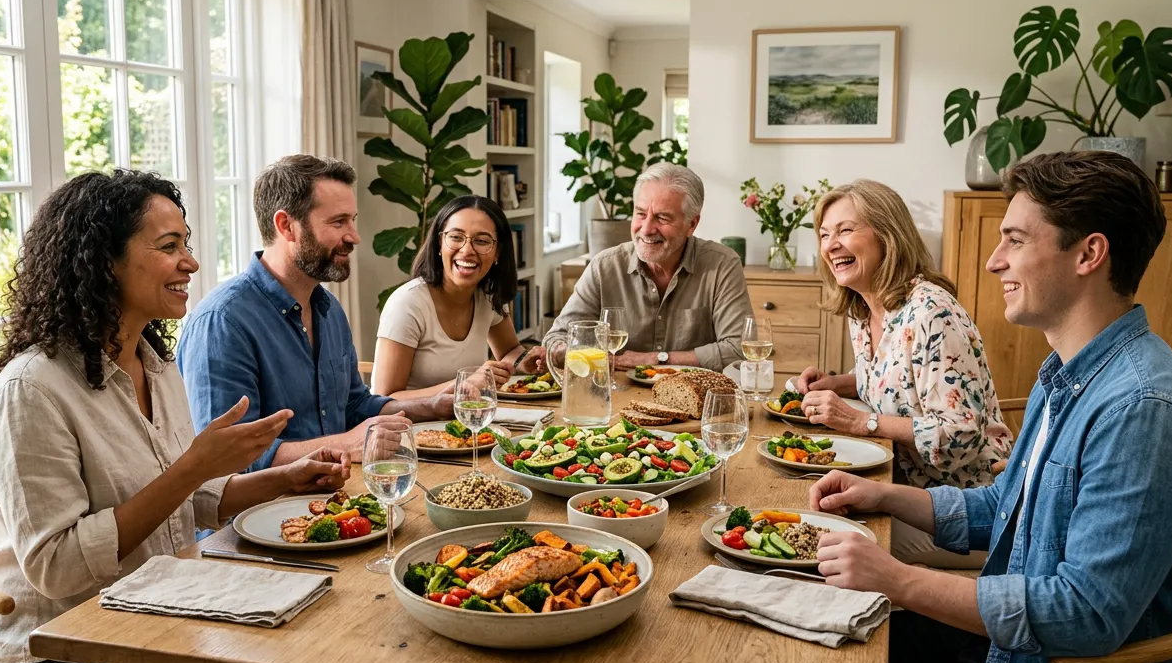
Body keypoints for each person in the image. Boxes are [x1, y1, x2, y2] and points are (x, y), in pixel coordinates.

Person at [810, 152, 1172, 663]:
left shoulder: (1146, 410)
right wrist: (883, 496)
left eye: (1015, 240)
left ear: (1089, 254)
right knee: (814, 654)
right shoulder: (1065, 377)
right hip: (1010, 648)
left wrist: (897, 579)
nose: (993, 260)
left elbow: (1085, 614)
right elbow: (1006, 507)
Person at [0, 170, 345, 663]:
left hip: (163, 613)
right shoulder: (33, 391)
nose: (190, 263)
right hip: (58, 656)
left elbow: (189, 501)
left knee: (318, 657)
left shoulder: (154, 363)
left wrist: (283, 480)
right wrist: (194, 466)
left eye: (185, 244)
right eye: (169, 247)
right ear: (104, 262)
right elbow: (56, 567)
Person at [793, 179, 1012, 568]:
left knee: (824, 541)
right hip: (900, 483)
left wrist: (861, 422)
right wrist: (838, 383)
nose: (831, 245)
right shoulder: (863, 309)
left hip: (964, 507)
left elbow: (959, 436)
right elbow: (894, 379)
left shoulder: (932, 313)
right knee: (805, 503)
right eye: (825, 234)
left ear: (887, 235)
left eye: (845, 230)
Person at [178, 155, 451, 466]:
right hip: (274, 499)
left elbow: (353, 405)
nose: (354, 236)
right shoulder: (222, 322)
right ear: (286, 226)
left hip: (339, 490)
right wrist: (344, 445)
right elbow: (225, 458)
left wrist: (432, 406)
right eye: (338, 222)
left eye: (352, 220)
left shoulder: (329, 309)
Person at [521, 163, 752, 373]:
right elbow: (557, 338)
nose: (646, 229)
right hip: (617, 397)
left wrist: (655, 359)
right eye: (640, 214)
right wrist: (564, 351)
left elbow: (739, 349)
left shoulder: (722, 265)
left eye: (662, 218)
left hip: (694, 397)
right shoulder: (604, 266)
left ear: (691, 224)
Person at [373, 195, 526, 397]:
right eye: (455, 237)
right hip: (410, 418)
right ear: (439, 243)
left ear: (498, 252)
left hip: (470, 414)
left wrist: (523, 362)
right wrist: (464, 383)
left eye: (481, 241)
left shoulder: (488, 295)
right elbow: (384, 400)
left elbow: (509, 351)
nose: (467, 250)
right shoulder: (407, 304)